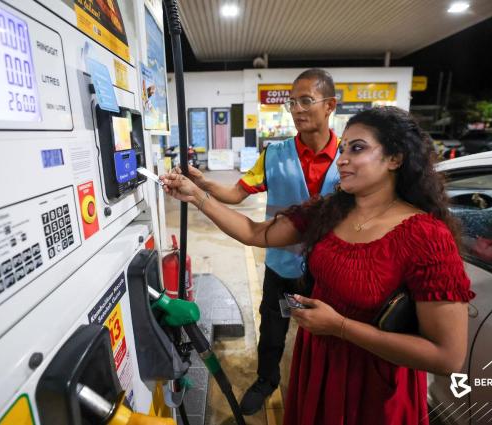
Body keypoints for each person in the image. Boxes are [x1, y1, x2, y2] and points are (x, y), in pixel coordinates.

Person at [160, 106, 475, 425]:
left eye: (357, 148)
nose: (342, 159)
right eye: (343, 149)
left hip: (375, 385)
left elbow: (447, 356)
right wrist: (196, 196)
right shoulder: (330, 210)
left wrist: (340, 327)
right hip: (317, 364)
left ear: (395, 158)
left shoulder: (427, 237)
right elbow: (254, 232)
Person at [181, 68, 340, 415]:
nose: (297, 109)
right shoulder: (275, 154)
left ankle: (322, 390)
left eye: (306, 101)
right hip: (281, 267)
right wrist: (203, 183)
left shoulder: (350, 159)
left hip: (330, 273)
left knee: (327, 338)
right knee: (272, 330)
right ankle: (266, 380)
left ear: (329, 105)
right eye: (291, 102)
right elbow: (236, 194)